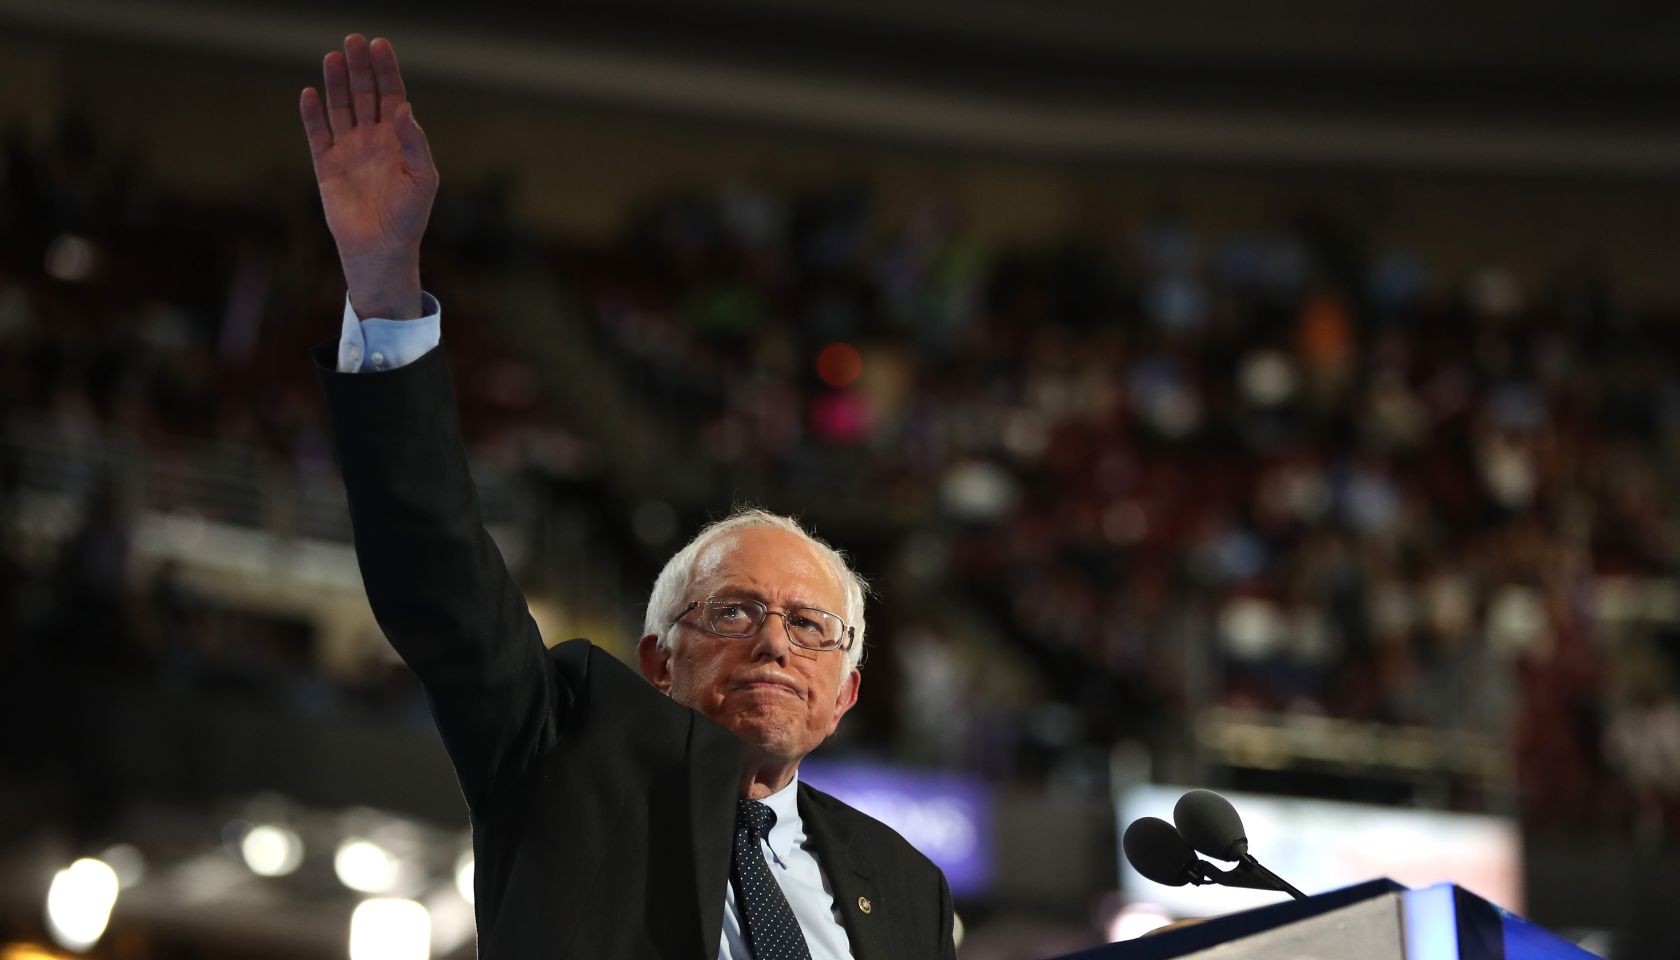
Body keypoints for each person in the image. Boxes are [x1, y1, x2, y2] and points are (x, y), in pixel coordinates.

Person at [299, 33, 956, 960]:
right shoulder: (561, 757)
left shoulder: (907, 889)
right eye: (735, 610)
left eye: (812, 626)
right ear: (658, 659)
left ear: (845, 690)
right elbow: (436, 571)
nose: (775, 640)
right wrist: (382, 283)